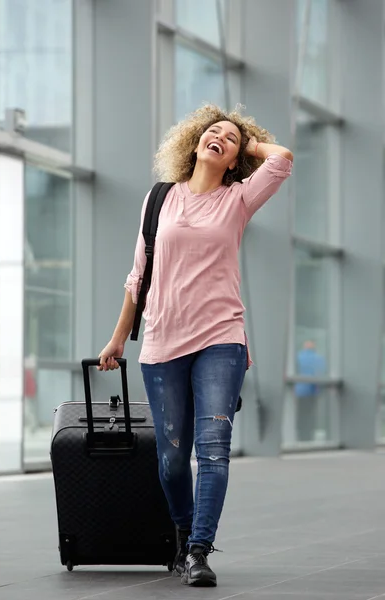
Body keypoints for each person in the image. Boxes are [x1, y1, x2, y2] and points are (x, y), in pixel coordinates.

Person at [98, 104, 293, 587]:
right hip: (163, 338)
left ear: (234, 159)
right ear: (194, 142)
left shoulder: (239, 200)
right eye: (212, 131)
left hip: (220, 339)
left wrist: (248, 141)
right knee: (170, 457)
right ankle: (184, 537)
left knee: (213, 450)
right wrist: (118, 338)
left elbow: (283, 158)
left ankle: (200, 550)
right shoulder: (160, 198)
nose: (220, 137)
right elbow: (137, 277)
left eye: (230, 138)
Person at [294, 340, 326, 441]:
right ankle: (308, 437)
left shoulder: (298, 357)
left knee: (300, 415)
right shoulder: (319, 358)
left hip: (298, 391)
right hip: (312, 392)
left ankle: (300, 436)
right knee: (311, 416)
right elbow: (321, 374)